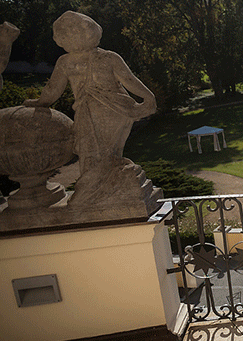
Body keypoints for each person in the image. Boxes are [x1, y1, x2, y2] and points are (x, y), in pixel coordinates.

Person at [25, 11, 156, 206]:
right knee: (100, 154)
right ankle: (103, 190)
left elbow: (53, 90)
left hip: (106, 113)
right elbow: (129, 80)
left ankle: (92, 193)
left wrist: (40, 102)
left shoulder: (73, 61)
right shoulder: (102, 58)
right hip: (106, 112)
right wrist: (148, 97)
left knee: (95, 154)